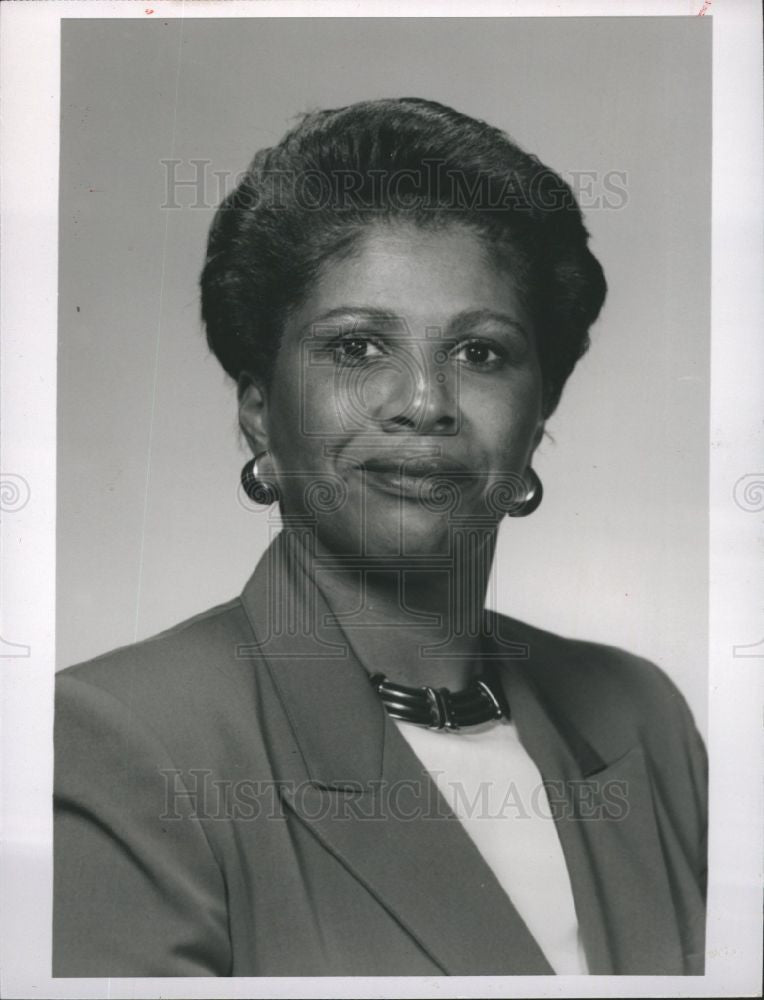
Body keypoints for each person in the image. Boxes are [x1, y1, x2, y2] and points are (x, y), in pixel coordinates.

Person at [53, 97, 707, 977]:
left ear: (540, 409)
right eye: (358, 348)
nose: (426, 402)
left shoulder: (643, 717)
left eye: (481, 353)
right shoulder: (118, 741)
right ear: (259, 412)